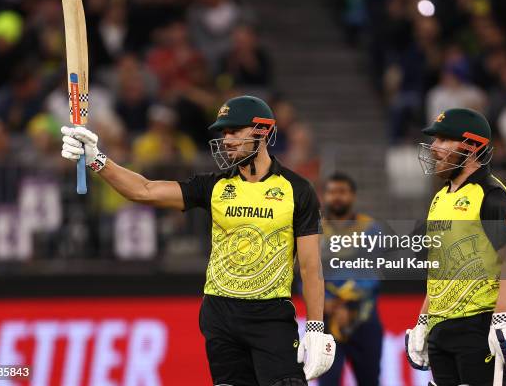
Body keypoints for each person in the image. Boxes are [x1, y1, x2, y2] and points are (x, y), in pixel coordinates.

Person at [61, 95, 335, 385]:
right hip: (221, 314)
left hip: (271, 314)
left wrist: (316, 326)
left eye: (234, 131)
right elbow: (144, 190)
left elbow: (309, 266)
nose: (227, 140)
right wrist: (96, 159)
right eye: (224, 133)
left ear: (262, 131)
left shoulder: (298, 190)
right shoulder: (215, 186)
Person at [406, 108, 506, 385]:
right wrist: (423, 320)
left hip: (478, 326)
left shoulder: (490, 195)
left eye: (443, 140)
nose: (434, 148)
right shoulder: (439, 199)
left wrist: (502, 317)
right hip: (440, 327)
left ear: (471, 147)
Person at [318, 172, 383, 386]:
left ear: (353, 196)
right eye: (332, 192)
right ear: (324, 196)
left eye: (342, 192)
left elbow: (375, 273)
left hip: (364, 319)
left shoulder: (370, 229)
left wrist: (343, 302)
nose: (337, 197)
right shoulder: (314, 231)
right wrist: (325, 302)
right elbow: (306, 273)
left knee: (369, 381)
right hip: (326, 322)